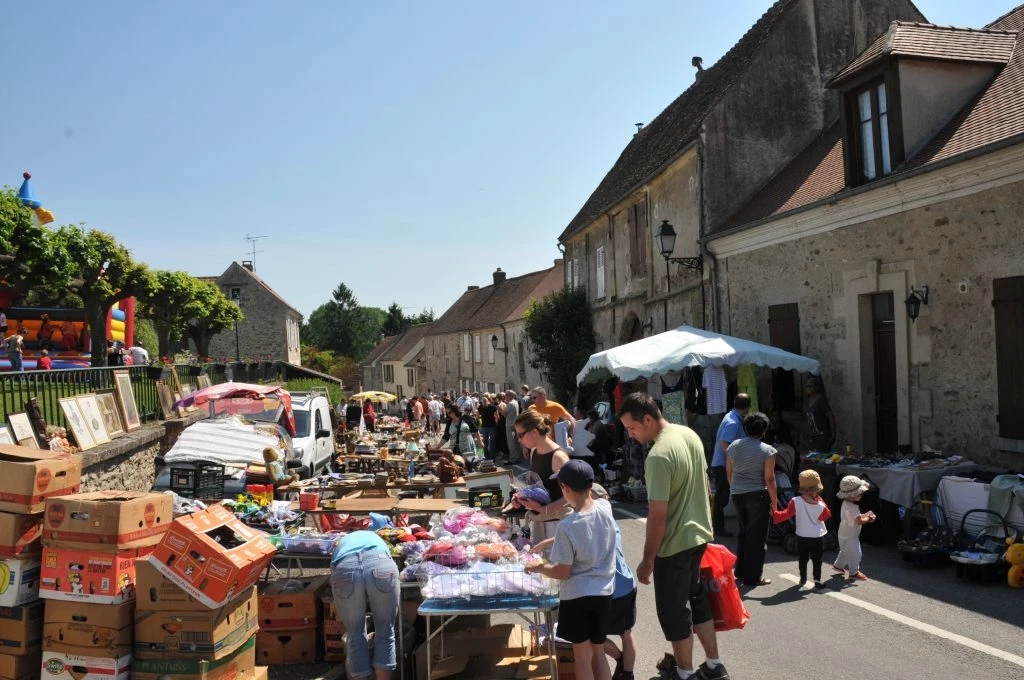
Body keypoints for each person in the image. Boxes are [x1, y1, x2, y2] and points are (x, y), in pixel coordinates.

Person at [617, 393, 728, 680]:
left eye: (632, 428)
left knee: (674, 611)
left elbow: (657, 515)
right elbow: (704, 486)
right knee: (696, 598)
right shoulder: (688, 434)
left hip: (674, 544)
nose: (630, 435)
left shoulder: (658, 456)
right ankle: (715, 666)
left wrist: (647, 559)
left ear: (649, 419)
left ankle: (684, 673)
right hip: (698, 535)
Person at [525, 460, 616, 680]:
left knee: (581, 655)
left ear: (565, 488)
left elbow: (562, 572)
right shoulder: (605, 508)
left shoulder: (567, 526)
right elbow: (587, 532)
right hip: (604, 592)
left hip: (577, 596)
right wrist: (549, 542)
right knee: (598, 650)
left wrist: (539, 567)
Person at [330, 530, 400, 680]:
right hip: (381, 564)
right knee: (386, 631)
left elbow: (333, 569)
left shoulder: (341, 543)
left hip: (345, 567)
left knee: (355, 633)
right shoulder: (377, 539)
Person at [726, 412, 778, 587]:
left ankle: (740, 572)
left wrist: (734, 488)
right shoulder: (767, 450)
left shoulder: (733, 446)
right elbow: (769, 479)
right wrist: (775, 501)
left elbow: (729, 471)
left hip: (738, 494)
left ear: (745, 428)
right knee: (757, 538)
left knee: (743, 533)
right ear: (763, 430)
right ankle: (753, 577)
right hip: (758, 495)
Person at [513, 409, 571, 544]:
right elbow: (540, 488)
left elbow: (571, 497)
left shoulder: (558, 457)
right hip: (541, 521)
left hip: (558, 525)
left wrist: (542, 509)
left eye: (521, 435)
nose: (519, 440)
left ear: (534, 431)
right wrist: (521, 499)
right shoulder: (534, 452)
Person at [773, 469, 831, 588]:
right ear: (817, 488)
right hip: (817, 536)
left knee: (802, 558)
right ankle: (817, 580)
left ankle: (803, 578)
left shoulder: (795, 501)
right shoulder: (820, 503)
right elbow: (826, 515)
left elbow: (786, 514)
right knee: (817, 559)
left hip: (802, 536)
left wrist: (774, 513)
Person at [711, 394, 750, 538]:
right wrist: (734, 461)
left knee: (723, 497)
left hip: (722, 463)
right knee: (722, 498)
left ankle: (717, 526)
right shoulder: (733, 422)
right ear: (747, 408)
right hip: (723, 465)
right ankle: (718, 528)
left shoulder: (731, 416)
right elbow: (724, 443)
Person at [833, 475, 876, 581]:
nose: (861, 495)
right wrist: (869, 518)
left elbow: (854, 518)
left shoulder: (845, 504)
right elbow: (859, 521)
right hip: (851, 535)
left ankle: (838, 565)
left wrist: (864, 515)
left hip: (843, 533)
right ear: (853, 495)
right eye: (860, 493)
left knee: (844, 551)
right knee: (856, 553)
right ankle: (854, 572)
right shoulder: (853, 507)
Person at [804, 377, 836, 452]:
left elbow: (830, 416)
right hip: (813, 435)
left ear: (817, 387)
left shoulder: (820, 399)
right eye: (807, 386)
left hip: (822, 435)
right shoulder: (808, 400)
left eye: (810, 386)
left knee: (822, 458)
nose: (808, 388)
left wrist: (833, 433)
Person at [478, 394, 498, 459]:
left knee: (485, 441)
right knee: (492, 442)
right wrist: (496, 423)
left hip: (484, 426)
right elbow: (497, 417)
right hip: (492, 426)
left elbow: (477, 416)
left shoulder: (480, 407)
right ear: (489, 399)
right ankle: (492, 457)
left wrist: (480, 419)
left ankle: (486, 456)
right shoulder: (493, 407)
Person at [504, 390, 521, 463]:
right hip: (515, 424)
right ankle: (517, 457)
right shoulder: (516, 402)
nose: (505, 396)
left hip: (510, 425)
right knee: (516, 441)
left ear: (511, 395)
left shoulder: (510, 403)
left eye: (507, 395)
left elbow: (504, 413)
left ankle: (512, 459)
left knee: (511, 442)